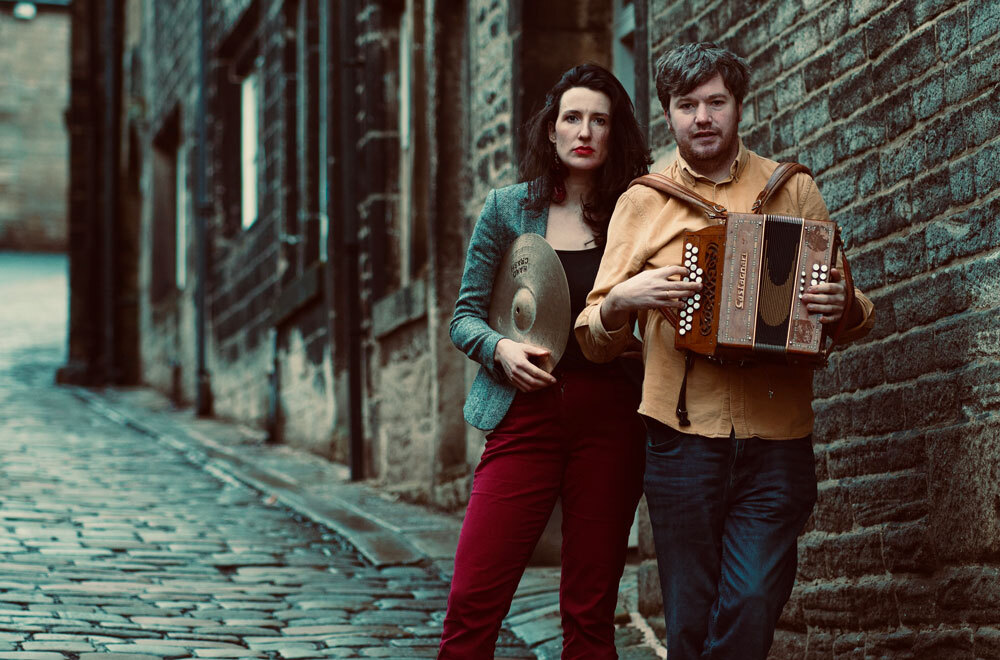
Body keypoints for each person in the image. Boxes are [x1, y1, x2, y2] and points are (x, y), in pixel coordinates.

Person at [575, 43, 876, 659]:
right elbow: (590, 334)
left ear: (739, 106)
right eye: (687, 105)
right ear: (668, 113)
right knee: (688, 617)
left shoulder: (792, 188)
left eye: (716, 102)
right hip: (681, 439)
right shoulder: (644, 201)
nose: (703, 117)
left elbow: (852, 310)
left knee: (754, 600)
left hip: (777, 437)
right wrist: (624, 298)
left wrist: (840, 303)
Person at [440, 63, 652, 659]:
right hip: (524, 415)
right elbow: (464, 317)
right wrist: (499, 348)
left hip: (612, 421)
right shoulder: (508, 208)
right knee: (473, 599)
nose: (584, 131)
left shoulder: (637, 215)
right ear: (552, 129)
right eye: (572, 117)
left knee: (590, 613)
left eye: (599, 121)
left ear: (615, 133)